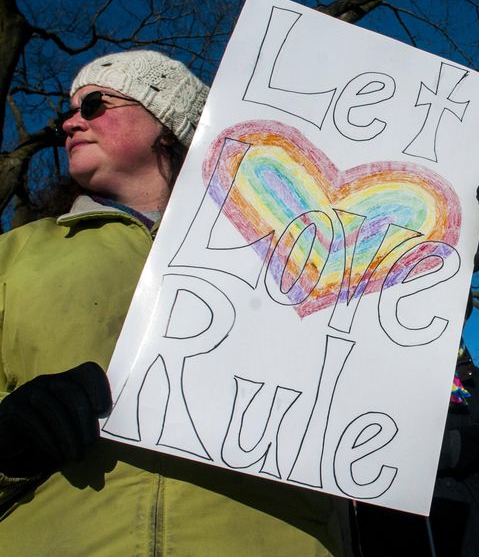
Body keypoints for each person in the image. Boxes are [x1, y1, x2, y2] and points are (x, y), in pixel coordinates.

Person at [0, 50, 350, 555]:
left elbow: (374, 357)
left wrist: (446, 256)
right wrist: (6, 441)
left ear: (168, 122)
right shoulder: (16, 254)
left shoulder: (290, 250)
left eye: (94, 103)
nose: (69, 122)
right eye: (68, 110)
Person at [354, 183, 479, 557]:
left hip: (477, 542)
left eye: (449, 308)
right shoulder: (367, 374)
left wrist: (469, 441)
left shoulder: (476, 384)